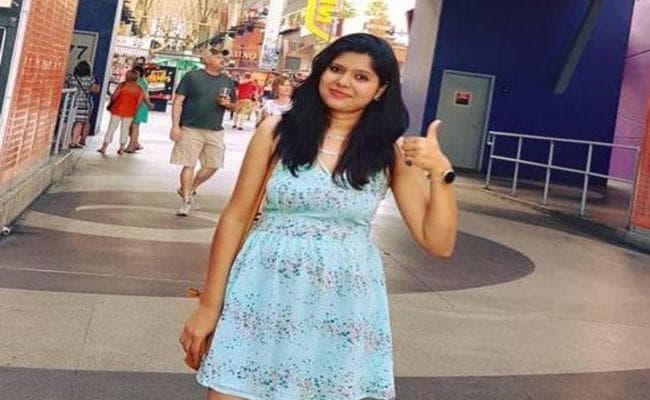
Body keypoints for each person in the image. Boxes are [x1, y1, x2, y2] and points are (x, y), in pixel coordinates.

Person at [179, 33, 458, 400]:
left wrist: (440, 172)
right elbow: (235, 217)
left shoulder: (387, 154)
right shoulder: (276, 132)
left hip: (342, 304)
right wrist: (209, 306)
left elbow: (438, 242)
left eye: (361, 77)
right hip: (262, 289)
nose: (343, 82)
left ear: (380, 90)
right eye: (336, 69)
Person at [170, 48, 236, 217]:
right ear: (206, 60)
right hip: (190, 128)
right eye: (218, 57)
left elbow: (234, 105)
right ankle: (186, 200)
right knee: (189, 164)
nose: (222, 60)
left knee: (213, 165)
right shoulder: (192, 77)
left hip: (215, 130)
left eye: (223, 58)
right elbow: (178, 101)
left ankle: (190, 189)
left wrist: (228, 104)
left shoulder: (228, 81)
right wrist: (175, 126)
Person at [97, 69, 144, 155]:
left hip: (117, 109)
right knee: (125, 130)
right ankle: (121, 149)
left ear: (127, 76)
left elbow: (114, 96)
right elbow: (139, 103)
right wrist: (135, 112)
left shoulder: (122, 85)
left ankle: (104, 147)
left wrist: (112, 102)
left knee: (111, 128)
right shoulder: (139, 89)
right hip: (130, 112)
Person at [66, 61, 100, 148]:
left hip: (70, 103)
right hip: (83, 104)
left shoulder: (71, 78)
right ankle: (73, 142)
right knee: (79, 123)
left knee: (67, 121)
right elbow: (96, 90)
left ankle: (64, 140)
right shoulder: (90, 79)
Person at [126, 65, 154, 153]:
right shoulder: (139, 81)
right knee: (131, 126)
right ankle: (136, 143)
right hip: (136, 106)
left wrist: (149, 104)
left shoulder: (141, 82)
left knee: (134, 126)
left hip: (139, 106)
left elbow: (143, 95)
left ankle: (131, 146)